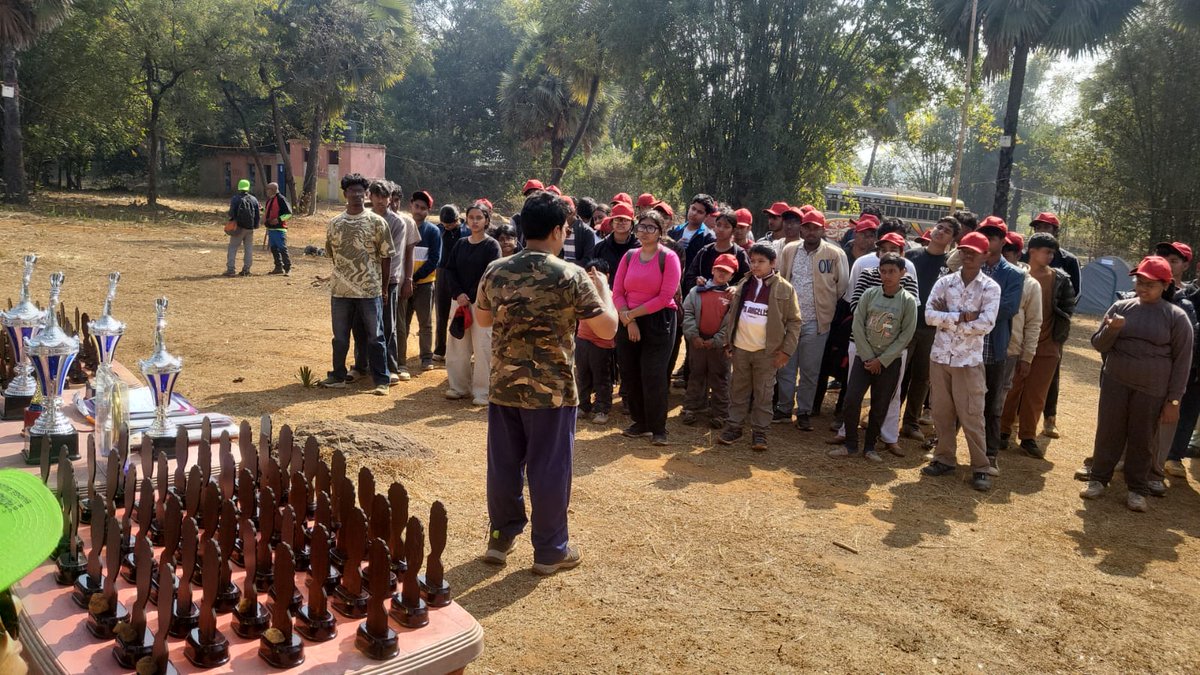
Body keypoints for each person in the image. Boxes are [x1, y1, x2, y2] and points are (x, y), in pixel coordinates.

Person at [475, 191, 617, 575]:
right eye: (566, 228)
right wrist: (604, 290)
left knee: (503, 466)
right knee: (550, 469)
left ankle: (501, 539)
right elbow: (607, 329)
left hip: (505, 386)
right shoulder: (570, 275)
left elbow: (483, 320)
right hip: (552, 392)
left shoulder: (496, 270)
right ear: (557, 231)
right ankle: (550, 550)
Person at [1080, 256, 1192, 512]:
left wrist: (1174, 400)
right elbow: (1098, 344)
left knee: (1143, 438)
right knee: (1109, 431)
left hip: (1152, 389)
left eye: (1149, 284)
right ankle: (1098, 479)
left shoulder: (1176, 317)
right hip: (1116, 382)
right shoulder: (1121, 307)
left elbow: (1182, 362)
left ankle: (1137, 489)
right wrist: (1112, 330)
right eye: (1139, 282)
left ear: (1165, 284)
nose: (1142, 288)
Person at [920, 231, 1000, 491]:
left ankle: (980, 466)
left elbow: (986, 324)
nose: (969, 256)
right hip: (941, 356)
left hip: (968, 361)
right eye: (965, 250)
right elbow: (930, 315)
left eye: (975, 252)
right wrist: (963, 317)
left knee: (972, 415)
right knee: (942, 412)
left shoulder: (990, 287)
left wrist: (948, 318)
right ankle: (944, 458)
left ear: (986, 255)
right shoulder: (945, 282)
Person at [830, 231, 919, 453]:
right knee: (852, 397)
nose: (887, 275)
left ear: (902, 268)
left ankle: (875, 444)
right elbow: (857, 316)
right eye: (884, 270)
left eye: (894, 248)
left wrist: (884, 358)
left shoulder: (908, 290)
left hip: (891, 356)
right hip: (863, 352)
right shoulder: (868, 283)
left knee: (884, 402)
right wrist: (869, 354)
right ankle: (849, 441)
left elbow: (907, 330)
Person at [717, 244, 802, 451]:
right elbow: (733, 314)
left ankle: (760, 432)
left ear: (773, 263)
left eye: (761, 262)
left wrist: (786, 351)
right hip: (741, 348)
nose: (755, 265)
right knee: (738, 389)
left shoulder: (784, 288)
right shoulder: (744, 283)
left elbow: (794, 322)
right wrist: (729, 342)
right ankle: (734, 427)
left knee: (764, 393)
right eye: (752, 261)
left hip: (767, 352)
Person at [1000, 232, 1075, 458]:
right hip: (1017, 343)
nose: (1050, 256)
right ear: (1032, 251)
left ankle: (1028, 437)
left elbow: (1068, 309)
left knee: (1037, 393)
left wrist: (1057, 336)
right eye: (1047, 252)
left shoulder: (1061, 279)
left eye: (1053, 253)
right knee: (1011, 388)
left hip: (1048, 345)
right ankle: (1003, 431)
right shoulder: (1017, 275)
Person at [319, 173, 394, 395]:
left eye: (361, 191)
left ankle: (382, 381)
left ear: (366, 195)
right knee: (340, 337)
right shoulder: (334, 224)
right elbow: (333, 255)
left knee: (376, 336)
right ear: (345, 194)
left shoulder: (377, 223)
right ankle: (338, 376)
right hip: (341, 291)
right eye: (353, 191)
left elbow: (387, 256)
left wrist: (383, 287)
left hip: (369, 290)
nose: (358, 195)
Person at [775, 208, 848, 431]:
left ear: (823, 229)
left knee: (810, 370)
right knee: (786, 367)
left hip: (817, 321)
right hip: (790, 320)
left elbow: (841, 286)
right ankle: (784, 408)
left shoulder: (835, 254)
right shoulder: (789, 250)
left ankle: (804, 411)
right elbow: (782, 278)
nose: (810, 231)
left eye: (815, 227)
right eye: (806, 227)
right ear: (801, 228)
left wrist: (824, 308)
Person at [613, 209, 682, 446]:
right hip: (627, 320)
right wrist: (629, 320)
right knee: (630, 372)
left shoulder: (669, 257)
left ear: (661, 232)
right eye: (641, 226)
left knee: (653, 374)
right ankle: (639, 422)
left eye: (651, 227)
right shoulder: (630, 256)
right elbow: (618, 292)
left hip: (658, 321)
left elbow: (665, 297)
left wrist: (632, 315)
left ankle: (658, 428)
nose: (644, 231)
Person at [973, 216, 1025, 466]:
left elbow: (1008, 308)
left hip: (994, 347)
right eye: (985, 235)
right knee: (960, 400)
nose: (988, 240)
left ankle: (990, 454)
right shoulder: (972, 266)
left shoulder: (1014, 274)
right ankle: (944, 449)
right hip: (967, 347)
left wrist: (975, 312)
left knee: (992, 405)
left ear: (1003, 241)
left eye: (993, 236)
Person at [900, 216, 957, 440]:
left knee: (922, 376)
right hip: (907, 324)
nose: (941, 232)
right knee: (898, 373)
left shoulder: (950, 265)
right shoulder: (912, 256)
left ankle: (911, 423)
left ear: (952, 239)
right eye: (939, 227)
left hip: (933, 329)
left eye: (947, 231)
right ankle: (887, 417)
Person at [1027, 211, 1081, 439]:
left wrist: (1059, 315)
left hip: (1052, 327)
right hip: (1026, 326)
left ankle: (1050, 418)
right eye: (1039, 226)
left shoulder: (1068, 260)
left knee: (1051, 375)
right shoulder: (1024, 256)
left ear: (1055, 231)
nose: (1043, 229)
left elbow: (1075, 293)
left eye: (1047, 227)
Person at [444, 199, 502, 405]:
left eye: (479, 218)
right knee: (457, 344)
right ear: (466, 220)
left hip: (482, 304)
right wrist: (459, 294)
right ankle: (458, 387)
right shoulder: (460, 244)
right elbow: (450, 270)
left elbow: (490, 274)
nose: (475, 221)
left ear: (487, 221)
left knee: (483, 345)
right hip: (459, 303)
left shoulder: (492, 246)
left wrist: (471, 295)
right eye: (471, 218)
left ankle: (482, 391)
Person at [366, 180, 418, 384]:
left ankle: (391, 366)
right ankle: (364, 365)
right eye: (377, 195)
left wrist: (387, 283)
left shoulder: (398, 222)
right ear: (370, 196)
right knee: (365, 325)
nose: (381, 200)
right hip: (364, 280)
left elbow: (394, 256)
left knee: (389, 325)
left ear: (389, 198)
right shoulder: (364, 219)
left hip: (390, 280)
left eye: (384, 196)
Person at [680, 253, 737, 428]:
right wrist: (693, 335)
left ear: (732, 275)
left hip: (719, 345)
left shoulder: (732, 296)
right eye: (719, 270)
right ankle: (692, 408)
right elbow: (687, 312)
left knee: (720, 378)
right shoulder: (697, 290)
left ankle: (720, 413)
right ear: (712, 269)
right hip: (698, 341)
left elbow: (731, 321)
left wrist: (718, 340)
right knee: (696, 374)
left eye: (726, 272)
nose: (721, 274)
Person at [576, 259, 616, 425]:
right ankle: (583, 405)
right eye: (588, 275)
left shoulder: (611, 295)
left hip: (602, 344)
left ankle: (602, 408)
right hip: (582, 339)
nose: (592, 278)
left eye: (596, 274)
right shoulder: (583, 294)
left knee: (602, 377)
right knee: (582, 375)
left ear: (607, 276)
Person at [406, 190, 441, 372]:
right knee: (401, 322)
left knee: (425, 322)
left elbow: (434, 259)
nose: (419, 211)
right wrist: (406, 280)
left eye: (423, 208)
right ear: (411, 205)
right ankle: (398, 358)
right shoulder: (403, 227)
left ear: (428, 211)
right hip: (404, 284)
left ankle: (426, 358)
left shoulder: (433, 231)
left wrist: (415, 278)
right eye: (417, 206)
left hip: (425, 284)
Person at [433, 204, 468, 364]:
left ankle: (462, 350)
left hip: (461, 273)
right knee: (441, 313)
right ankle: (440, 349)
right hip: (442, 272)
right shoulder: (439, 230)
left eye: (450, 224)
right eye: (445, 224)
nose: (447, 227)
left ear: (457, 219)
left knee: (461, 311)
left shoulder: (467, 230)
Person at [685, 208, 750, 290]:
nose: (721, 229)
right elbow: (689, 277)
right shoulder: (705, 252)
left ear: (733, 230)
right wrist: (697, 281)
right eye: (718, 225)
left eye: (726, 227)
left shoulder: (739, 254)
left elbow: (748, 281)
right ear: (714, 227)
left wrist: (736, 288)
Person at [591, 203, 639, 284]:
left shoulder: (639, 247)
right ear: (611, 223)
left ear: (632, 224)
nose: (621, 223)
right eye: (617, 219)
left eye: (625, 220)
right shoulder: (600, 248)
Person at [225, 178, 260, 277]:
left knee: (232, 248)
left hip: (238, 228)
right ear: (248, 187)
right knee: (248, 249)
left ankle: (231, 270)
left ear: (239, 187)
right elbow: (257, 214)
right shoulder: (254, 199)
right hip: (250, 228)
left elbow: (231, 213)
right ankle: (246, 270)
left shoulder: (236, 198)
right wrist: (255, 226)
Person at [263, 182, 293, 276]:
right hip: (271, 229)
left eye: (268, 189)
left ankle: (288, 268)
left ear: (272, 190)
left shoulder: (281, 199)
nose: (266, 191)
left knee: (282, 249)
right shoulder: (269, 200)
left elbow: (289, 214)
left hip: (279, 230)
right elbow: (268, 211)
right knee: (274, 249)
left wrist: (278, 220)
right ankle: (278, 267)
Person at [559, 196, 598, 265]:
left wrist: (565, 265)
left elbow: (588, 260)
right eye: (561, 213)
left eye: (567, 213)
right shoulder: (556, 230)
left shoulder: (587, 232)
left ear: (575, 211)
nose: (564, 216)